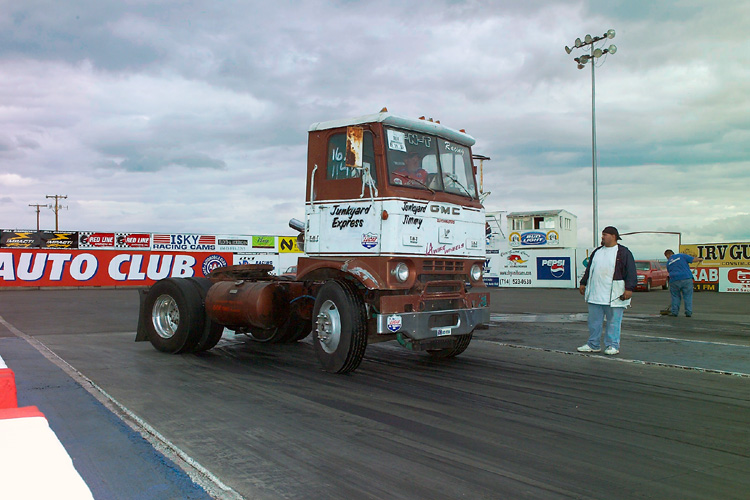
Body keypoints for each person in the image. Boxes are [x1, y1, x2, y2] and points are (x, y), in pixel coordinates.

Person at [577, 226, 637, 356]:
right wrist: (583, 282)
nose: (602, 237)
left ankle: (612, 345)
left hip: (614, 295)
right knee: (594, 322)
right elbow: (589, 269)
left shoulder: (623, 252)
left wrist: (629, 289)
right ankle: (593, 344)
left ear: (613, 236)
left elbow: (631, 271)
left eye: (605, 235)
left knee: (614, 322)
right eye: (602, 234)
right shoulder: (597, 252)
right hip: (595, 295)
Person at [664, 249, 703, 317]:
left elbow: (669, 271)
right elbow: (693, 259)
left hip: (674, 280)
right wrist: (700, 259)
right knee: (687, 296)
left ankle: (674, 312)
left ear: (667, 255)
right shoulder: (681, 256)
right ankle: (688, 312)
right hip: (686, 279)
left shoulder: (668, 263)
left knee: (675, 296)